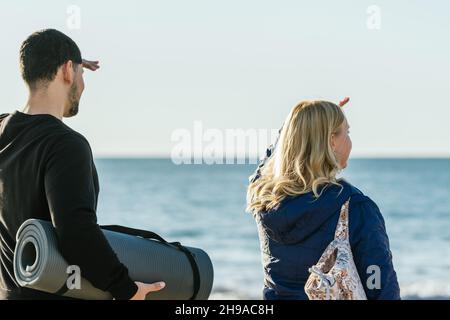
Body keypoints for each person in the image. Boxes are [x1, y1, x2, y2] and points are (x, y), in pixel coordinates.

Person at [0, 29, 165, 300]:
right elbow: (75, 230)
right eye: (82, 75)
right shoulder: (65, 144)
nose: (84, 85)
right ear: (66, 71)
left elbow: (40, 54)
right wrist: (126, 289)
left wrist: (70, 62)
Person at [247, 99, 400, 300]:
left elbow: (264, 166)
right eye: (347, 132)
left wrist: (301, 127)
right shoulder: (356, 207)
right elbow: (380, 286)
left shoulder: (264, 200)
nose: (350, 140)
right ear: (331, 141)